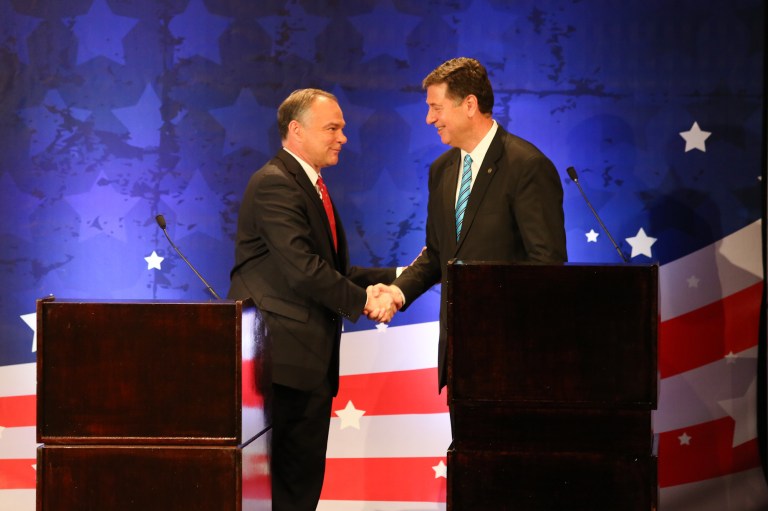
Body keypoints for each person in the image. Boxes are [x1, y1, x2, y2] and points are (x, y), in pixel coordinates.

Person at [227, 88, 398, 510]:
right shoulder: (275, 184)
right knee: (286, 489)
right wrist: (365, 302)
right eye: (333, 128)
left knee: (299, 486)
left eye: (342, 128)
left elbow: (331, 271)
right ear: (296, 130)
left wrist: (402, 279)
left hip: (303, 362)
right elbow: (304, 270)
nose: (343, 137)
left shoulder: (310, 184)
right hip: (282, 364)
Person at [379, 57, 568, 391]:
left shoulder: (526, 166)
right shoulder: (442, 170)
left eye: (436, 108)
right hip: (460, 355)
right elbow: (439, 253)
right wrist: (397, 292)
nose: (429, 119)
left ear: (469, 104)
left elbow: (547, 266)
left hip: (513, 354)